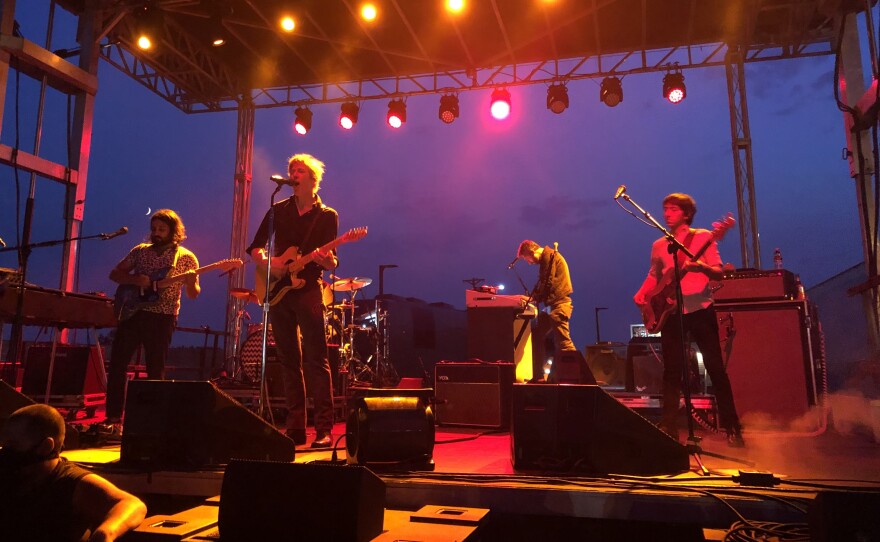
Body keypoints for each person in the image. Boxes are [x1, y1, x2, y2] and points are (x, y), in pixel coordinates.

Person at [633, 193, 744, 447]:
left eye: (673, 209)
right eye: (665, 209)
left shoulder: (703, 237)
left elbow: (718, 273)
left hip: (701, 310)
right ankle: (668, 426)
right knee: (671, 371)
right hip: (671, 313)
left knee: (715, 368)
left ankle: (732, 426)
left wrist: (700, 267)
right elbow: (654, 274)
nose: (667, 214)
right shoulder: (659, 245)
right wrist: (642, 293)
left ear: (686, 214)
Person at [247, 153, 337, 449]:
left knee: (317, 359)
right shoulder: (278, 210)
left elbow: (332, 261)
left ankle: (324, 429)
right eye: (292, 171)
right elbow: (255, 249)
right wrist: (272, 264)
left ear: (313, 179)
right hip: (279, 291)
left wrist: (327, 261)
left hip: (309, 288)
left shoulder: (327, 216)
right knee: (288, 360)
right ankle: (295, 428)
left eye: (300, 171)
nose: (294, 175)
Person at [104, 209, 200, 428]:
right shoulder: (140, 251)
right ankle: (113, 417)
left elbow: (194, 294)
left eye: (162, 229)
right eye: (154, 229)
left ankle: (151, 421)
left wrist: (191, 282)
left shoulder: (186, 257)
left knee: (155, 368)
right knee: (118, 364)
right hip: (133, 313)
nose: (156, 233)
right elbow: (115, 274)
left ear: (174, 231)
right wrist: (135, 279)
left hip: (162, 317)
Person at [0, 404, 147, 541]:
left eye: (13, 445)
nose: (5, 451)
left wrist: (104, 534)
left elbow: (133, 505)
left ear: (46, 446)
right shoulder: (11, 477)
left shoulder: (69, 481)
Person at [517, 240, 576, 381]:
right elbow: (546, 283)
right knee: (537, 336)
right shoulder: (548, 257)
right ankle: (538, 377)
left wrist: (534, 297)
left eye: (527, 259)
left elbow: (547, 283)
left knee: (564, 342)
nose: (530, 263)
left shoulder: (549, 257)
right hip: (552, 305)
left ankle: (575, 376)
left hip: (559, 304)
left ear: (532, 252)